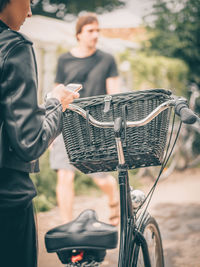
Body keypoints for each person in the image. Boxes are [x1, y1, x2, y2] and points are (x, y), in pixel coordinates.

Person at [0, 1, 79, 267]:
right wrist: (56, 104)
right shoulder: (13, 45)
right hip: (7, 199)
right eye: (28, 0)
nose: (30, 11)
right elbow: (29, 142)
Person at [50, 12, 120, 226]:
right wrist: (52, 128)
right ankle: (67, 226)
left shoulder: (107, 60)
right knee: (64, 175)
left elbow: (114, 96)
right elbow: (57, 93)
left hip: (95, 125)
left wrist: (113, 125)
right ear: (79, 34)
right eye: (90, 31)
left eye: (98, 30)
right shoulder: (64, 60)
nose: (95, 35)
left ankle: (114, 198)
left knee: (100, 178)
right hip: (68, 123)